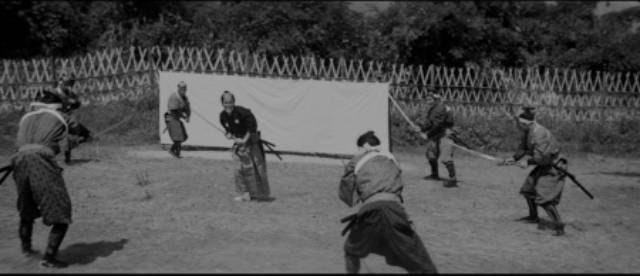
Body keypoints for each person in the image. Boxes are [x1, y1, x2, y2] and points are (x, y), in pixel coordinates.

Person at [339, 131, 438, 274]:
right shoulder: (392, 158)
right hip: (395, 209)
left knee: (351, 251)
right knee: (417, 260)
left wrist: (350, 170)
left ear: (366, 146)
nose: (358, 151)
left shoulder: (357, 159)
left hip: (370, 211)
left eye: (359, 148)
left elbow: (346, 193)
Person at [10, 91, 88, 268]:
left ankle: (26, 250)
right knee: (61, 211)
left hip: (19, 159)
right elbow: (77, 129)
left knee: (26, 208)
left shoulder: (26, 117)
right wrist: (86, 135)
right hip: (41, 160)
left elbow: (46, 140)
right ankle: (49, 258)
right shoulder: (60, 116)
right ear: (57, 106)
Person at [499, 109, 568, 236]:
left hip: (554, 166)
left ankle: (559, 226)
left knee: (544, 198)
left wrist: (527, 163)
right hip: (544, 164)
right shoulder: (528, 131)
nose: (516, 125)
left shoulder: (539, 133)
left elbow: (541, 157)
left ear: (525, 123)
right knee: (528, 189)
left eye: (518, 122)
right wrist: (513, 159)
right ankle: (533, 217)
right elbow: (523, 148)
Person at [219, 90, 270, 202]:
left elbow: (252, 128)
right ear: (222, 103)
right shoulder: (223, 116)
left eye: (230, 102)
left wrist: (244, 140)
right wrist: (228, 135)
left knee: (257, 168)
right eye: (226, 102)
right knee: (238, 169)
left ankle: (261, 194)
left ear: (234, 102)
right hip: (239, 145)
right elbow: (229, 131)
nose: (228, 105)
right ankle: (243, 193)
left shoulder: (243, 113)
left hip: (252, 142)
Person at [412, 92, 458, 187]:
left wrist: (427, 135)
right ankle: (434, 175)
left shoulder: (441, 108)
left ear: (436, 100)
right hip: (436, 135)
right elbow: (430, 123)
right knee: (431, 155)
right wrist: (421, 128)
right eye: (427, 99)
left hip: (445, 135)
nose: (428, 101)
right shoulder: (432, 109)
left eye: (430, 99)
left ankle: (453, 179)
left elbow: (438, 124)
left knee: (446, 158)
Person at [53, 73, 91, 163]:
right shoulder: (55, 92)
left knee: (86, 135)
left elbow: (76, 102)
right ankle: (62, 154)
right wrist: (70, 102)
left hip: (67, 117)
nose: (69, 85)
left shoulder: (69, 92)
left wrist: (76, 103)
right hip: (56, 118)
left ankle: (69, 151)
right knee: (63, 137)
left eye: (71, 83)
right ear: (61, 82)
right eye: (68, 83)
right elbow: (60, 103)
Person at [164, 81, 191, 158]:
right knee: (178, 136)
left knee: (184, 136)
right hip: (170, 117)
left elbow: (187, 108)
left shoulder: (185, 98)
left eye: (184, 88)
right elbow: (174, 110)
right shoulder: (174, 96)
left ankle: (176, 151)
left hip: (176, 117)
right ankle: (174, 151)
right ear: (178, 88)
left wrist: (188, 115)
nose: (183, 89)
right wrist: (183, 116)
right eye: (181, 88)